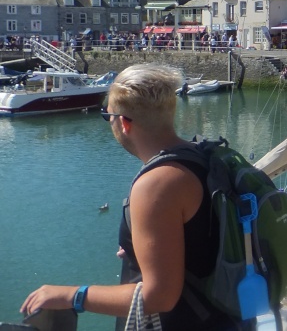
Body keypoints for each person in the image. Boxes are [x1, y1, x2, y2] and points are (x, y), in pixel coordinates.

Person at [21, 64, 238, 329]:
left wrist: (72, 295)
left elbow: (160, 297)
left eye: (107, 116)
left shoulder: (156, 185)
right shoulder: (201, 155)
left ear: (123, 123)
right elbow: (201, 239)